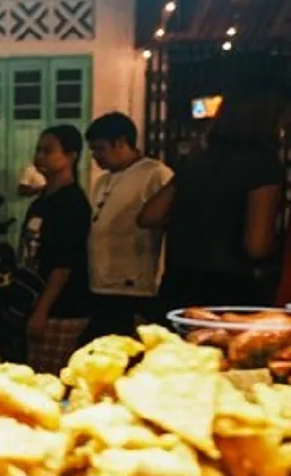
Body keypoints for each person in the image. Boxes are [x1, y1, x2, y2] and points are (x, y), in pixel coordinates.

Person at [141, 93, 285, 309]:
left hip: (179, 283)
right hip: (229, 289)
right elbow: (257, 245)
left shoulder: (196, 161)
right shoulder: (264, 166)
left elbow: (150, 216)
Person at [82, 112, 173, 339]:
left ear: (121, 142)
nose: (95, 157)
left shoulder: (155, 174)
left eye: (100, 149)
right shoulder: (102, 180)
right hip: (100, 284)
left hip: (134, 289)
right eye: (93, 150)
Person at [18, 125, 92, 374]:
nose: (39, 157)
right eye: (38, 150)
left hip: (62, 310)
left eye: (48, 151)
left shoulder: (72, 203)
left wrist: (42, 311)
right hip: (37, 302)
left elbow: (64, 264)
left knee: (49, 379)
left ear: (71, 156)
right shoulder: (42, 201)